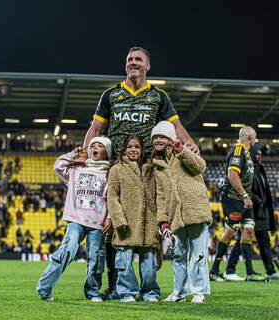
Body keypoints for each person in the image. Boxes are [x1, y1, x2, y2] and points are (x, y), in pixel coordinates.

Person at [82, 46, 199, 299]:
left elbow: (176, 126)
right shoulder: (111, 95)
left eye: (138, 60)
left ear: (147, 66)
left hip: (148, 170)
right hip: (117, 168)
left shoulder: (158, 96)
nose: (133, 63)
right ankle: (115, 286)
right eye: (129, 60)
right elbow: (96, 129)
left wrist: (190, 144)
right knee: (114, 227)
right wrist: (85, 154)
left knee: (150, 225)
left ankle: (149, 285)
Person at [36, 137, 112, 302]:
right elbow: (58, 166)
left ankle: (92, 293)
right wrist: (72, 154)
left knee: (96, 259)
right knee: (66, 251)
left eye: (100, 146)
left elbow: (113, 198)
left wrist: (110, 217)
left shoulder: (109, 174)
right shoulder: (77, 169)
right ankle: (45, 288)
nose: (95, 148)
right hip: (76, 221)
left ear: (107, 152)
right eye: (93, 146)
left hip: (98, 224)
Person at [151, 121, 212, 303]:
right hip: (175, 216)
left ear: (171, 138)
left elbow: (200, 166)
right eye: (155, 138)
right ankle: (179, 293)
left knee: (198, 254)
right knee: (178, 256)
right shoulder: (157, 165)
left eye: (162, 136)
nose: (158, 140)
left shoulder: (184, 152)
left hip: (196, 211)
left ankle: (199, 292)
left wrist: (182, 151)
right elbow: (160, 197)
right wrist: (163, 221)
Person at [107, 135, 164, 302]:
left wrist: (159, 220)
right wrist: (119, 220)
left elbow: (158, 195)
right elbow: (112, 197)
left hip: (148, 223)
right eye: (130, 147)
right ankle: (127, 293)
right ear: (124, 149)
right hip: (126, 224)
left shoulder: (150, 169)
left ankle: (150, 293)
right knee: (124, 262)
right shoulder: (116, 169)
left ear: (142, 150)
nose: (133, 150)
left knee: (149, 266)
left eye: (136, 147)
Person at [210, 126, 264, 281]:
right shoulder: (238, 150)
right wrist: (245, 195)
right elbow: (232, 175)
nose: (256, 140)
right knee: (230, 233)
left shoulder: (247, 154)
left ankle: (250, 272)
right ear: (249, 137)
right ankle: (214, 271)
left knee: (248, 232)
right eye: (255, 137)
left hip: (244, 200)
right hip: (234, 198)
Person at [224, 145, 279, 280]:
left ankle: (268, 270)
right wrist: (259, 201)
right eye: (257, 154)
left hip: (260, 212)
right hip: (252, 210)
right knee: (246, 240)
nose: (260, 156)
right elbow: (248, 190)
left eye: (261, 154)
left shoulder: (259, 170)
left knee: (256, 240)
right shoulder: (250, 170)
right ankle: (231, 269)